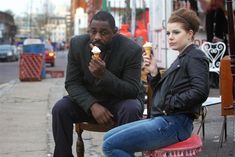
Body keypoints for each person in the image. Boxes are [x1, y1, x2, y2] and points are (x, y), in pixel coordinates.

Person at [102, 8, 209, 157]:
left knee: (110, 145)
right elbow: (165, 91)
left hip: (175, 123)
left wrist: (170, 103)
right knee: (108, 138)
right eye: (169, 33)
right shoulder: (182, 57)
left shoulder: (195, 57)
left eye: (176, 32)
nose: (170, 37)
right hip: (164, 119)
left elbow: (201, 91)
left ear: (190, 34)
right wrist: (154, 72)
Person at [52, 11, 145, 157]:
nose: (97, 37)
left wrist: (104, 75)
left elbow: (132, 90)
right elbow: (72, 83)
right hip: (89, 104)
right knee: (60, 108)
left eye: (104, 33)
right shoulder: (77, 45)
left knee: (131, 107)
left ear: (114, 32)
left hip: (118, 103)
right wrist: (92, 105)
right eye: (93, 31)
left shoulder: (131, 50)